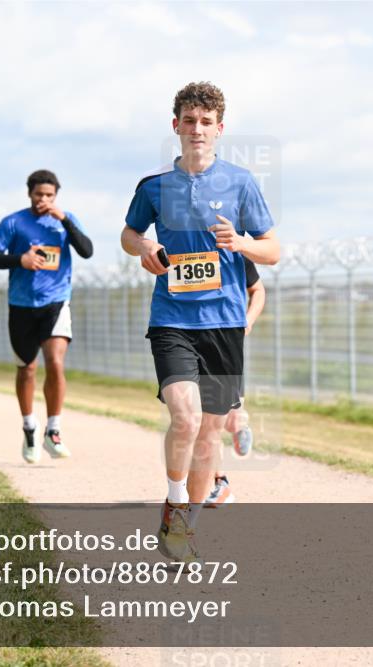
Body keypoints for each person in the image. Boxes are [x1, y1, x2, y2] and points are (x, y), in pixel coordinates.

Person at [120, 82, 279, 562]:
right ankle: (172, 505)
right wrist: (144, 246)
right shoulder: (154, 188)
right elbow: (129, 234)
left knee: (211, 430)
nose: (197, 130)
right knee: (185, 418)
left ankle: (186, 523)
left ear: (219, 129)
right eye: (189, 121)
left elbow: (271, 249)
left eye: (206, 122)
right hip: (172, 317)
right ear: (176, 126)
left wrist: (242, 244)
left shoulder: (241, 182)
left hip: (225, 322)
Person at [0, 169, 94, 463]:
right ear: (29, 194)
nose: (43, 200)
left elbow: (87, 251)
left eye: (49, 195)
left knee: (55, 363)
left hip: (55, 302)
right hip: (21, 305)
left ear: (56, 196)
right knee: (27, 369)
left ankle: (53, 430)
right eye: (38, 194)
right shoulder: (13, 222)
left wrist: (65, 220)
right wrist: (19, 259)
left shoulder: (64, 220)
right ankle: (30, 426)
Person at [204, 257, 266, 507]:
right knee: (206, 420)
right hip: (188, 338)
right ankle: (221, 484)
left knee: (228, 417)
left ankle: (240, 422)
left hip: (227, 341)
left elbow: (258, 290)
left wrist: (248, 321)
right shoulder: (179, 246)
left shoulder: (234, 251)